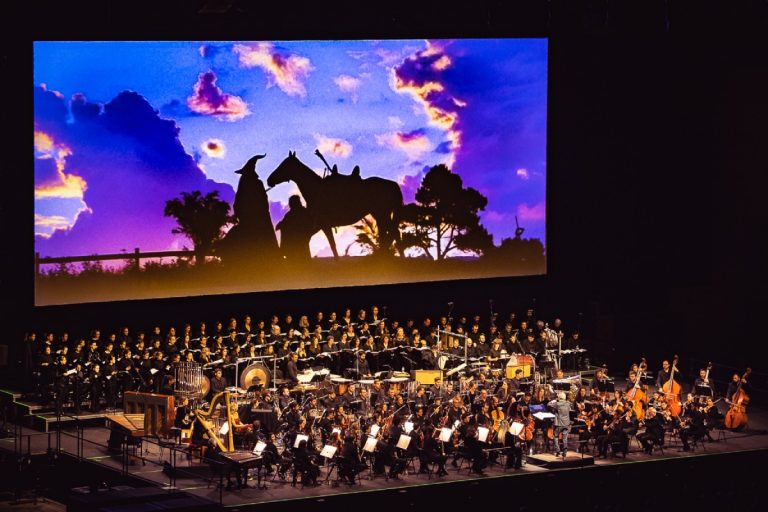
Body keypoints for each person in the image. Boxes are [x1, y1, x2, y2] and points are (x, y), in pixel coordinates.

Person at [547, 391, 573, 457]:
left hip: (558, 424)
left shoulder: (557, 403)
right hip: (566, 424)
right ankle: (565, 452)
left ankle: (558, 451)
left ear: (559, 397)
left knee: (555, 437)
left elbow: (548, 404)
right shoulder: (568, 403)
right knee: (565, 438)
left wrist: (555, 400)